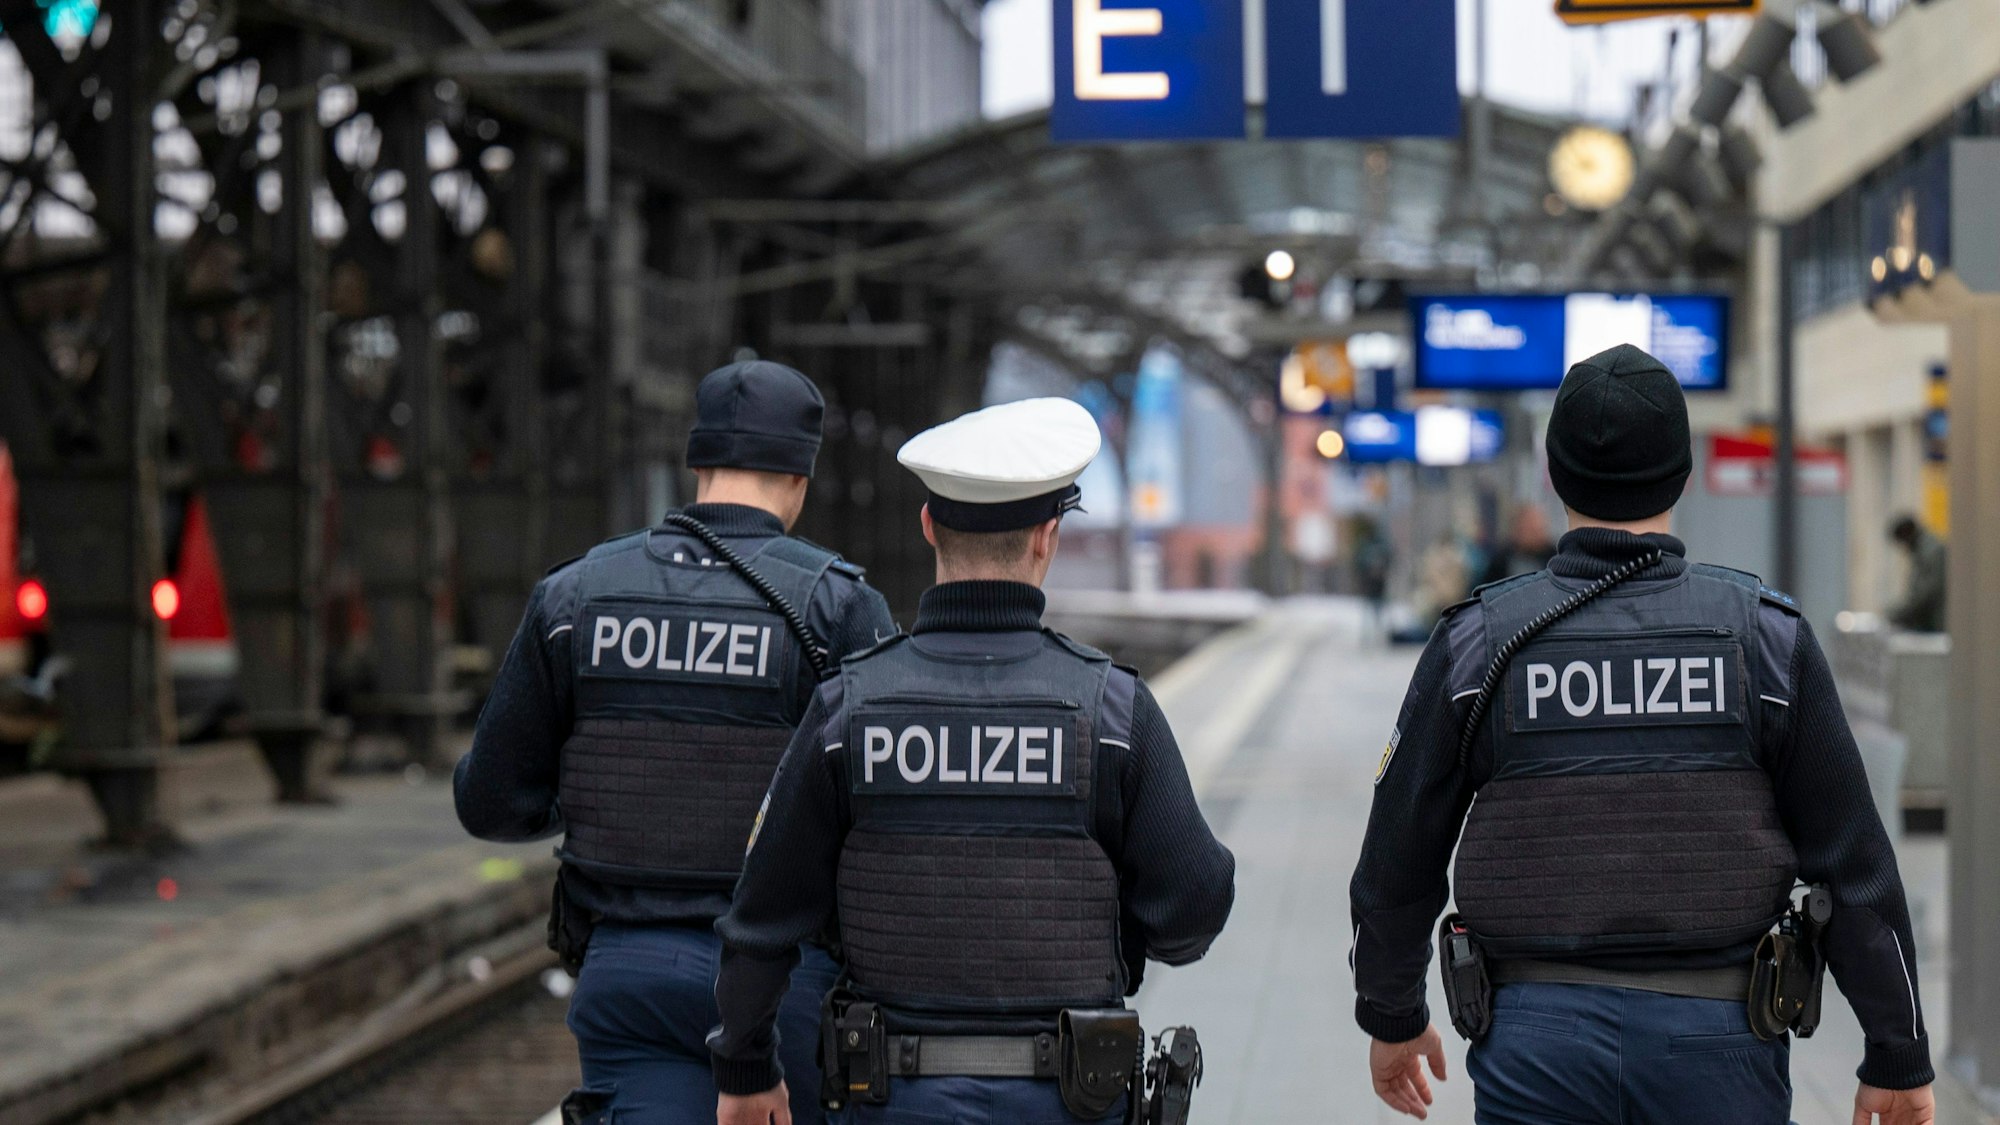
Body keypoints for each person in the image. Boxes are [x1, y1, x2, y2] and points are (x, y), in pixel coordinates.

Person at [1349, 345, 1935, 1125]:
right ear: (1683, 474)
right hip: (1721, 1044)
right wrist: (1896, 1048)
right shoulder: (1764, 640)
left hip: (1535, 1044)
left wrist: (1391, 1010)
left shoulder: (1478, 643)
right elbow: (1855, 862)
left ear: (1553, 477)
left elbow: (1399, 849)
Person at [708, 397, 1236, 1125]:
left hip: (890, 1097)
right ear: (1048, 537)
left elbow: (762, 914)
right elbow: (1195, 907)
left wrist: (745, 1065)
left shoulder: (848, 708)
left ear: (928, 526)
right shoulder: (1111, 711)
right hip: (1069, 1098)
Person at [453, 360, 896, 1124]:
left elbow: (489, 800)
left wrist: (596, 795)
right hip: (785, 985)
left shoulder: (576, 596)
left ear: (698, 464)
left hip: (627, 973)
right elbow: (891, 821)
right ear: (801, 475)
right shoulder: (837, 608)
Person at [1886, 515, 1947, 633]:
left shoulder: (1931, 551)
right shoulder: (1922, 550)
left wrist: (1897, 614)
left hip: (1935, 623)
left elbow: (1926, 593)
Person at [1475, 502, 1557, 589]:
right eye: (1530, 529)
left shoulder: (1554, 558)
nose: (1536, 533)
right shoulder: (1502, 560)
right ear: (1518, 528)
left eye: (1539, 529)